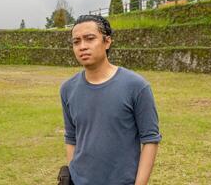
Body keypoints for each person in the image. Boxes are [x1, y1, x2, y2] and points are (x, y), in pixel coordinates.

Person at [60, 15, 162, 185]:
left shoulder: (137, 86)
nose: (82, 46)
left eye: (89, 38)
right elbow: (71, 138)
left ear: (107, 42)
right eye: (76, 42)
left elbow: (150, 140)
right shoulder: (67, 89)